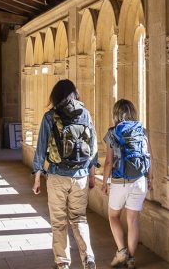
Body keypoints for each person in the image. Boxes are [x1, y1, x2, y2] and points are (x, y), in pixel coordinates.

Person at [32, 79, 98, 269]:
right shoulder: (85, 114)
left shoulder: (49, 117)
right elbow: (93, 148)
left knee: (58, 221)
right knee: (79, 218)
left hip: (56, 176)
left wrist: (37, 177)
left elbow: (40, 148)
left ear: (55, 96)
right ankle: (88, 258)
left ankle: (62, 263)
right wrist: (91, 175)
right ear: (74, 94)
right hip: (80, 176)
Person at [101, 99, 152, 269]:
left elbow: (109, 161)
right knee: (133, 220)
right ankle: (130, 260)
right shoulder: (143, 131)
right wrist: (150, 179)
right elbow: (150, 157)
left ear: (115, 114)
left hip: (120, 181)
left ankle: (122, 251)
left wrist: (105, 182)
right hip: (140, 180)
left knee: (113, 216)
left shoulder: (112, 132)